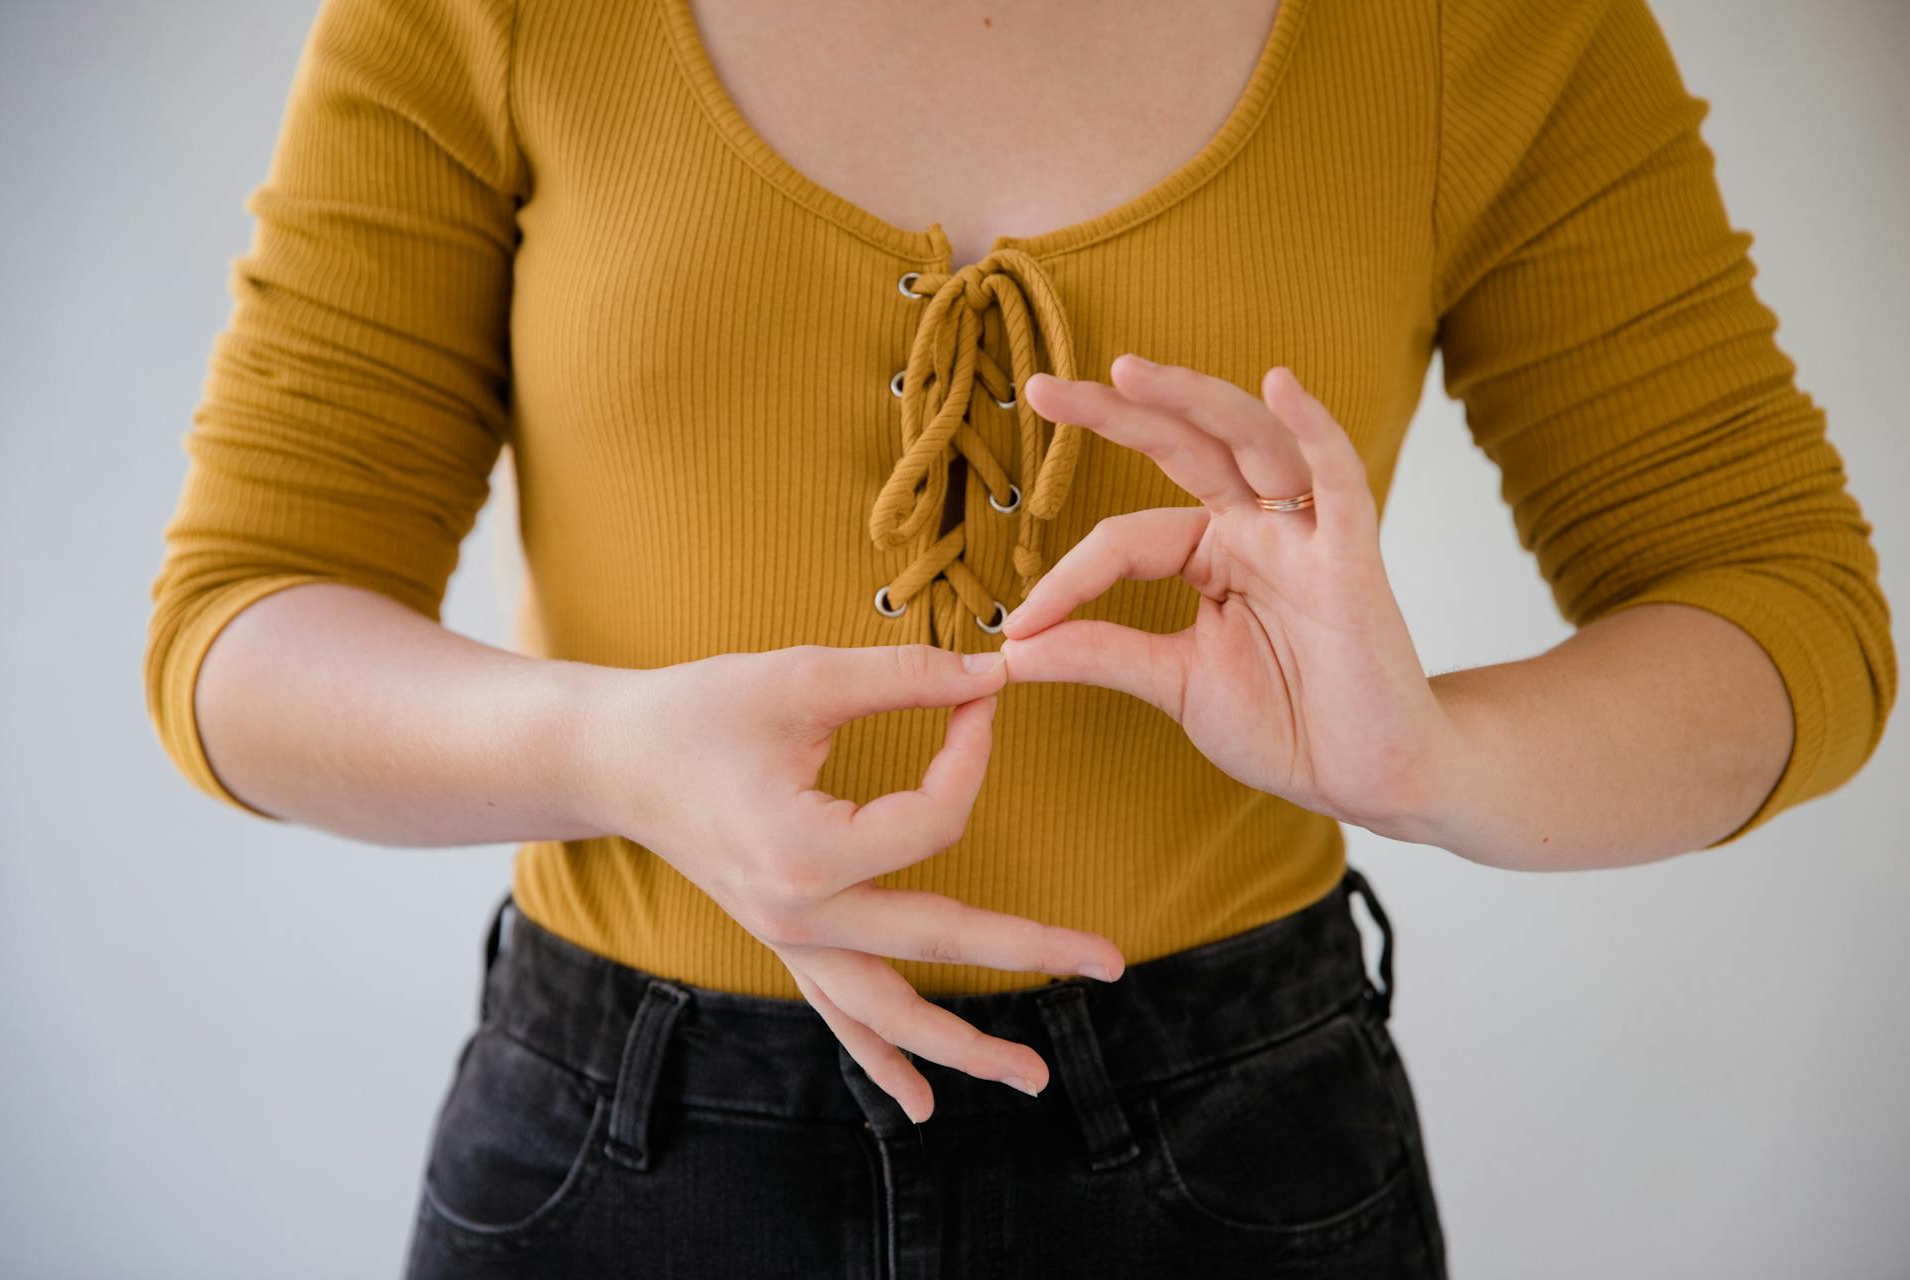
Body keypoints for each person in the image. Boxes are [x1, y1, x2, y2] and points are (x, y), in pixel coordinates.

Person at [142, 0, 1895, 1275]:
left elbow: (1782, 609)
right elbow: (240, 625)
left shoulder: (1481, 27)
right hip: (626, 1149)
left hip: (1240, 1155)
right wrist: (607, 753)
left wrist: (1430, 761)